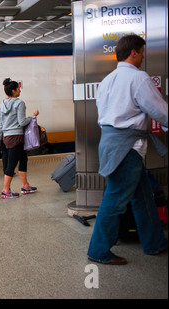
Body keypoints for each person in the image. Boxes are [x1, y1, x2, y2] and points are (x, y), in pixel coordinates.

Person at [87, 35, 168, 265]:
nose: (143, 57)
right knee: (114, 200)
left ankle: (155, 243)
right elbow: (160, 110)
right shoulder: (138, 78)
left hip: (112, 143)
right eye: (142, 52)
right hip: (127, 147)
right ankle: (99, 249)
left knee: (143, 197)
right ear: (134, 52)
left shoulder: (107, 81)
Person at [0, 78, 39, 198]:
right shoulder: (19, 103)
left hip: (6, 137)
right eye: (18, 89)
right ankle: (5, 190)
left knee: (23, 159)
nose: (20, 91)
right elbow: (22, 122)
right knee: (12, 164)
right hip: (16, 137)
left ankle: (25, 186)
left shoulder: (0, 106)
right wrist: (32, 117)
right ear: (14, 90)